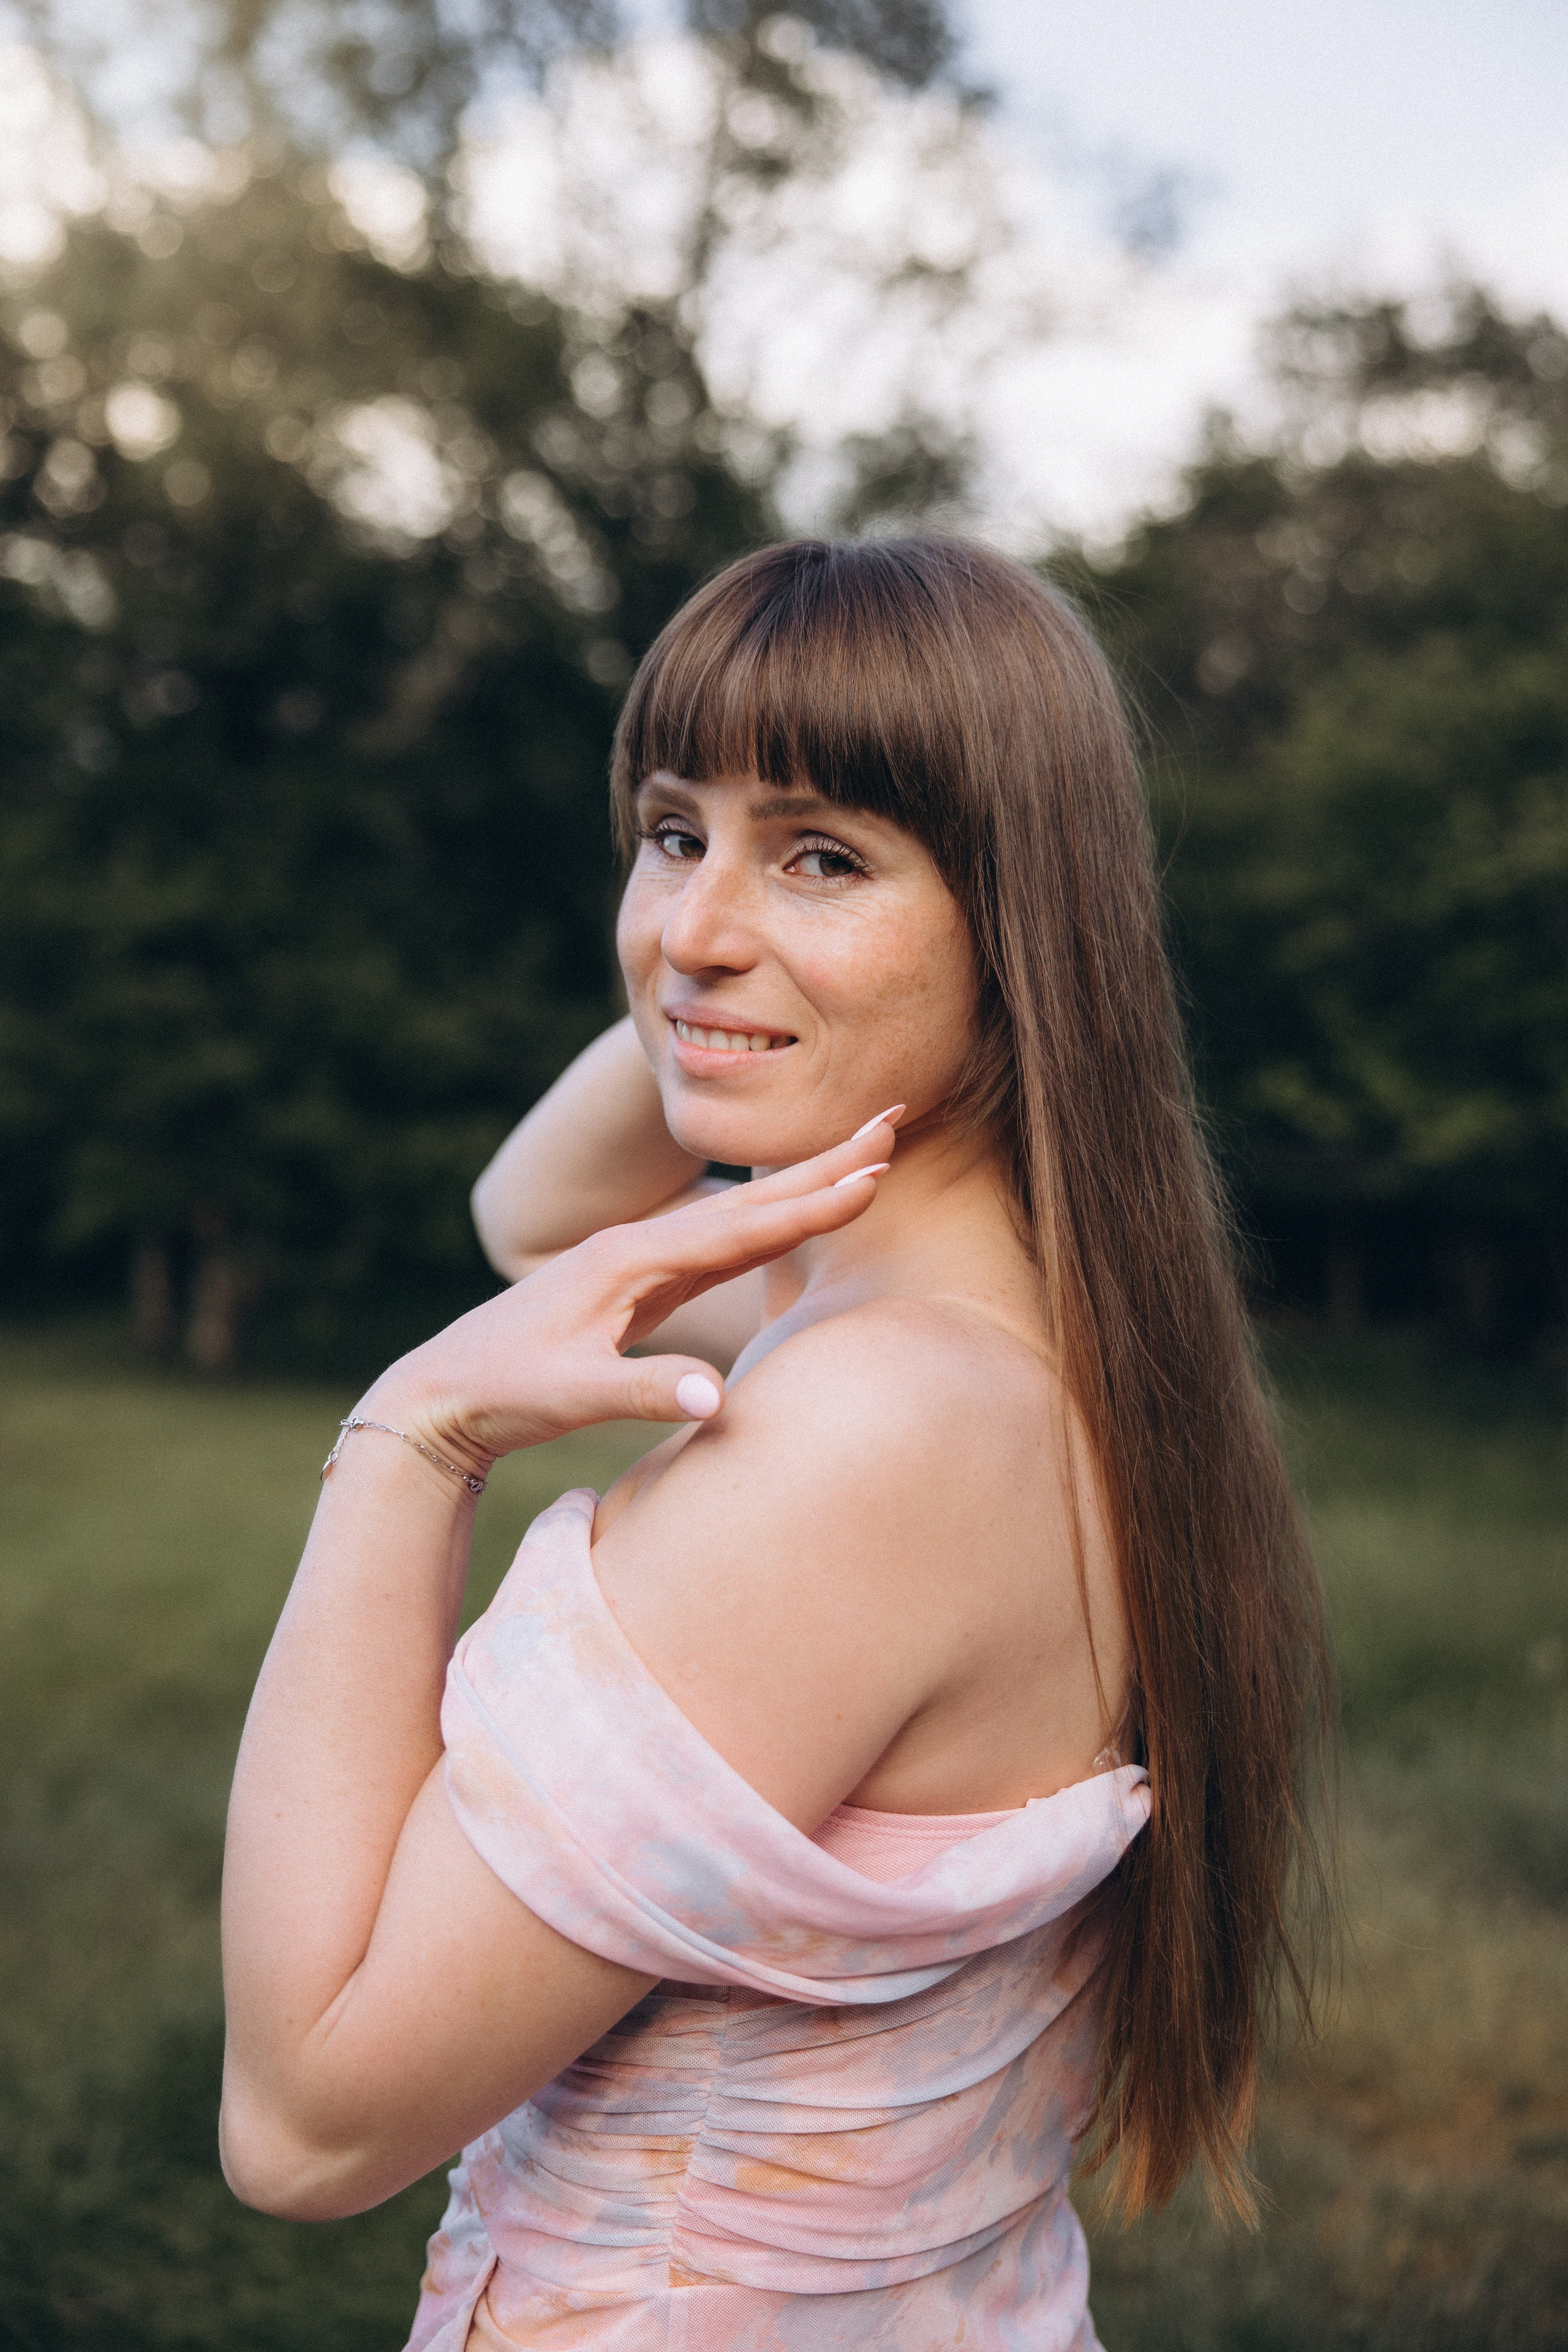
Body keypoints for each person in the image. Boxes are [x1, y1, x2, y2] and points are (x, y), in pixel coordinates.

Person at [219, 537, 1333, 2351]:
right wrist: (726, 971)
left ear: (1022, 917)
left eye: (827, 851)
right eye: (671, 832)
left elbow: (305, 2119)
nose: (691, 917)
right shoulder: (1045, 1333)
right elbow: (536, 1220)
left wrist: (409, 1438)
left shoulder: (868, 1430)